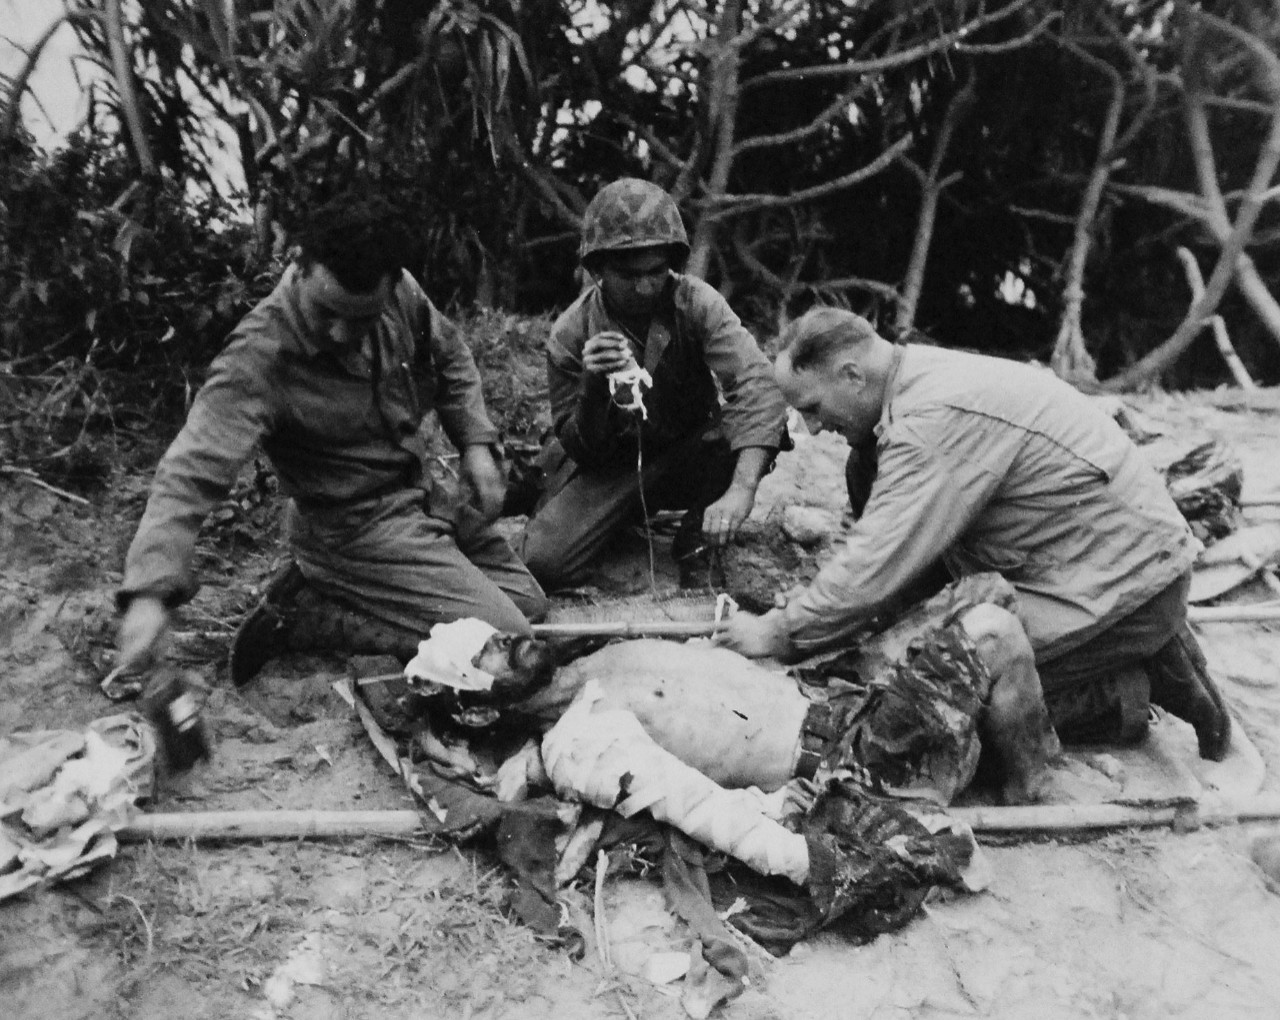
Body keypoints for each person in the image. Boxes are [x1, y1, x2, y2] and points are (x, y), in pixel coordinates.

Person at [716, 307, 1232, 763]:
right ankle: (1123, 649)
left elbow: (877, 558)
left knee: (930, 701)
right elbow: (890, 555)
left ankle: (1131, 688)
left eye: (811, 408)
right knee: (865, 468)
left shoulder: (931, 421)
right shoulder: (910, 382)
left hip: (1125, 585)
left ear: (851, 375)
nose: (810, 428)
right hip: (1078, 560)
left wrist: (781, 632)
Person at [115, 192, 548, 686]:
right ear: (298, 264)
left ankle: (325, 594)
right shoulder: (258, 359)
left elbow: (450, 357)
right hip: (353, 530)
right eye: (326, 312)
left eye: (362, 320)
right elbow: (189, 474)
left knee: (530, 604)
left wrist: (474, 442)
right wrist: (149, 591)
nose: (342, 333)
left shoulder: (399, 290)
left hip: (422, 500)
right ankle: (313, 615)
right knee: (507, 644)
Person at [516, 178, 788, 589]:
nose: (645, 287)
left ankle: (698, 540)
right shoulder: (571, 335)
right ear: (597, 270)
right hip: (614, 468)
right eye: (628, 275)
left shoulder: (696, 303)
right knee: (543, 561)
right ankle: (580, 507)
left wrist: (742, 489)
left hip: (689, 450)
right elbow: (579, 446)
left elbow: (757, 385)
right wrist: (593, 386)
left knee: (747, 424)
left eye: (656, 271)